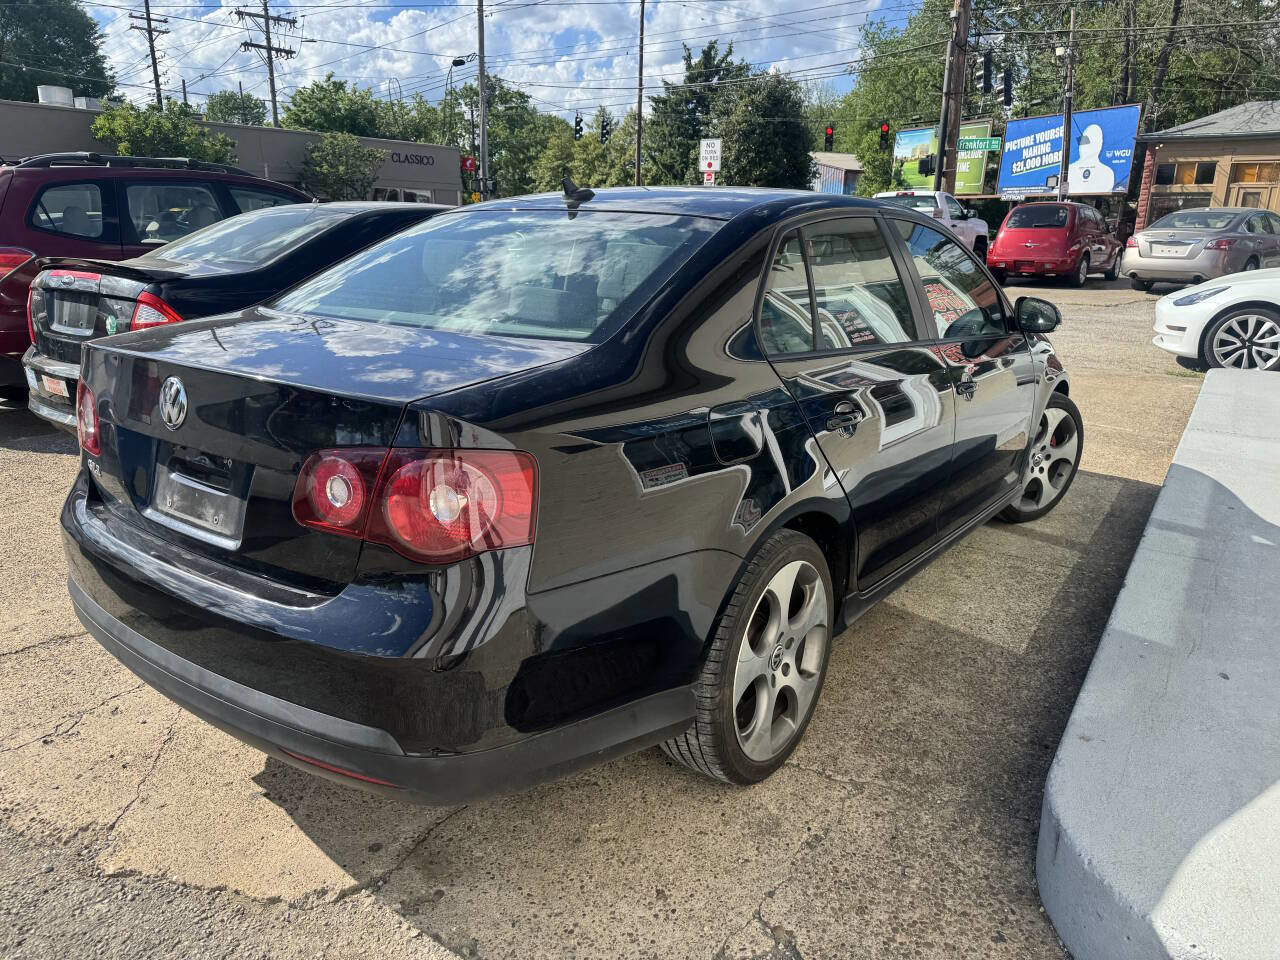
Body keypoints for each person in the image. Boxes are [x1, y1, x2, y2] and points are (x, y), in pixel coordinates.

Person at [1067, 123, 1114, 193]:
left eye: (1086, 141)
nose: (1082, 145)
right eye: (1081, 141)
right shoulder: (1069, 170)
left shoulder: (1107, 173)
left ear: (1098, 144)